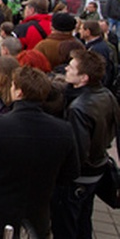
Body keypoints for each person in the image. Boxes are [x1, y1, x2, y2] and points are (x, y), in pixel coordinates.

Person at [0, 66, 79, 239]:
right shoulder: (64, 130)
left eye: (13, 86)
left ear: (19, 92)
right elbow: (70, 173)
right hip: (38, 215)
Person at [51, 50, 120, 238]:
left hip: (78, 179)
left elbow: (77, 151)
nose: (66, 68)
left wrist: (62, 178)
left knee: (66, 227)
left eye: (71, 67)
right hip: (97, 171)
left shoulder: (78, 108)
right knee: (83, 221)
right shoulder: (106, 94)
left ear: (84, 78)